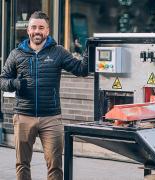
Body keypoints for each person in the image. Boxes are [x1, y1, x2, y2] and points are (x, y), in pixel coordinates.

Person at [0, 11, 88, 180]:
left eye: (41, 27)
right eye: (34, 27)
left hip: (51, 117)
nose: (37, 31)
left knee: (55, 166)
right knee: (22, 164)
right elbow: (3, 80)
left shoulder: (58, 52)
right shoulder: (16, 54)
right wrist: (14, 84)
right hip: (23, 116)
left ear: (47, 30)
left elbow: (81, 70)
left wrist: (87, 50)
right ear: (28, 30)